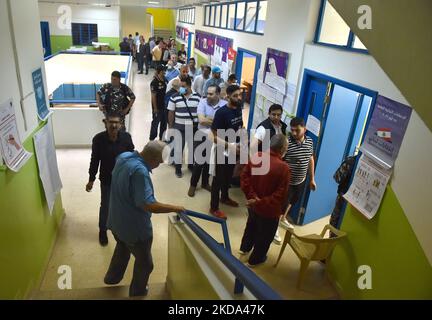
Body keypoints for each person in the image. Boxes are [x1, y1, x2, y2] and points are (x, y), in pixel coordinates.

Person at [104, 140, 185, 297]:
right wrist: (176, 208)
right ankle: (138, 292)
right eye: (159, 162)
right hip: (135, 229)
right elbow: (148, 204)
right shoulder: (140, 172)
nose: (159, 165)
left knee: (122, 247)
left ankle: (112, 278)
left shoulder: (123, 157)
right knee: (146, 264)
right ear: (153, 159)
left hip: (116, 221)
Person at [239, 134, 291, 267]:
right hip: (269, 210)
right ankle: (255, 260)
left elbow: (244, 178)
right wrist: (261, 201)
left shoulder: (257, 157)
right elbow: (280, 194)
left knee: (251, 226)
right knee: (265, 236)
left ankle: (244, 249)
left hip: (253, 206)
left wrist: (252, 197)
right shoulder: (284, 168)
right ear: (283, 148)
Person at [86, 113, 135, 246]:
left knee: (124, 204)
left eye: (116, 123)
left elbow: (132, 156)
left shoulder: (126, 138)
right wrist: (91, 179)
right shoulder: (98, 139)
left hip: (123, 179)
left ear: (121, 124)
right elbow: (95, 160)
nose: (113, 125)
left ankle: (122, 229)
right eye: (110, 122)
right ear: (105, 122)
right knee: (106, 206)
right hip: (107, 179)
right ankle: (103, 230)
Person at [274, 117, 316, 244]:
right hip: (286, 182)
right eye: (292, 130)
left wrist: (312, 179)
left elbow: (310, 159)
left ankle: (283, 219)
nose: (294, 133)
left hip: (301, 180)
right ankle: (274, 228)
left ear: (305, 129)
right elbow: (278, 161)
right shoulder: (287, 143)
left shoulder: (309, 141)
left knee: (292, 201)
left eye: (297, 130)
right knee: (280, 205)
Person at [209, 85, 244, 219]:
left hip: (235, 149)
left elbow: (240, 126)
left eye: (239, 95)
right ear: (228, 96)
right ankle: (214, 207)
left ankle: (224, 197)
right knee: (218, 179)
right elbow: (214, 136)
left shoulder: (239, 109)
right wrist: (229, 145)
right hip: (222, 150)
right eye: (235, 95)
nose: (239, 98)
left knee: (228, 177)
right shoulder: (221, 113)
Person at [188, 85, 227, 197]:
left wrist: (208, 119)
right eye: (208, 93)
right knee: (199, 162)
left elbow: (222, 123)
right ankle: (193, 185)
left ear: (218, 94)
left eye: (211, 94)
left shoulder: (224, 104)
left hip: (216, 137)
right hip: (202, 136)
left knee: (209, 162)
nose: (208, 96)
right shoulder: (202, 102)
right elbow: (201, 120)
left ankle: (205, 183)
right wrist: (217, 121)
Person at [167, 75, 200, 178]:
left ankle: (190, 165)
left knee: (192, 148)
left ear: (189, 86)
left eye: (183, 86)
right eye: (180, 86)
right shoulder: (175, 97)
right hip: (179, 127)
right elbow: (171, 112)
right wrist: (171, 127)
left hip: (193, 128)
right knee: (178, 148)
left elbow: (200, 113)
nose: (181, 88)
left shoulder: (198, 97)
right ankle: (178, 169)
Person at [150, 65, 168, 141]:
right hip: (158, 107)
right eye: (164, 70)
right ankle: (152, 139)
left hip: (165, 107)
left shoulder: (165, 80)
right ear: (160, 71)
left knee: (164, 124)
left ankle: (162, 138)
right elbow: (153, 96)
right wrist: (155, 108)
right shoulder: (154, 82)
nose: (165, 72)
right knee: (155, 124)